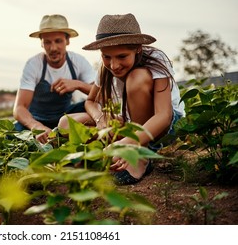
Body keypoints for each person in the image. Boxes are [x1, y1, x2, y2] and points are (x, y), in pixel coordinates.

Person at [58, 13, 185, 185]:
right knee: (65, 124)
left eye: (122, 56)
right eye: (106, 57)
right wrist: (100, 119)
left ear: (138, 48)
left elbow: (163, 116)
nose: (114, 65)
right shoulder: (105, 69)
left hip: (163, 125)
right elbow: (91, 101)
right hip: (128, 122)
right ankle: (115, 149)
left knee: (136, 78)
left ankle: (139, 154)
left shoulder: (155, 59)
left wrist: (126, 141)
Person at [13, 14, 95, 144]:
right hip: (37, 118)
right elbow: (19, 108)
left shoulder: (78, 62)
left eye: (58, 41)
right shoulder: (34, 64)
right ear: (41, 43)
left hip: (65, 116)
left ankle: (96, 134)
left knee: (89, 104)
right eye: (47, 42)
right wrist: (37, 127)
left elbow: (101, 94)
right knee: (14, 133)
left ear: (67, 41)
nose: (53, 48)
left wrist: (78, 84)